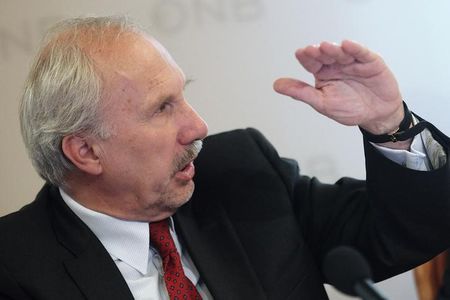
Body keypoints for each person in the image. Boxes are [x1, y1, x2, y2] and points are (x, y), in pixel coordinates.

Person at [0, 16, 449, 300]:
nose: (198, 127)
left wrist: (390, 123)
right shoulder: (16, 268)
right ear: (86, 151)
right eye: (162, 108)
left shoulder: (237, 173)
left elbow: (405, 233)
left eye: (183, 95)